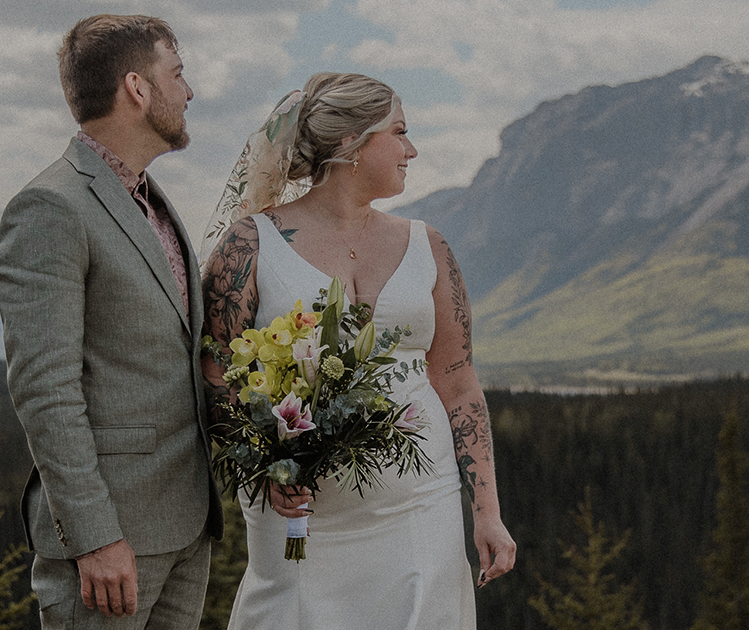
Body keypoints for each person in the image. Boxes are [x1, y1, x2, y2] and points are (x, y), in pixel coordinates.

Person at [200, 72, 516, 629]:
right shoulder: (250, 245)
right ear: (350, 143)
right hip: (299, 515)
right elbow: (215, 378)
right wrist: (271, 466)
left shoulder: (429, 245)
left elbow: (459, 383)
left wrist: (486, 511)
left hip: (423, 501)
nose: (411, 149)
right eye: (398, 132)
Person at [0, 14, 222, 629]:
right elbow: (46, 390)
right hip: (110, 546)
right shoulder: (50, 207)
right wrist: (93, 537)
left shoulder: (152, 200)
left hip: (186, 528)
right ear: (137, 89)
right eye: (178, 73)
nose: (190, 92)